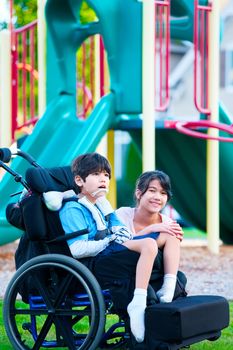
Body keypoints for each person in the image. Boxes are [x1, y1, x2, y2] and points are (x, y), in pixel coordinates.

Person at [44, 153, 184, 343]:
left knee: (164, 239)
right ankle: (138, 303)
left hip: (110, 255)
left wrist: (117, 231)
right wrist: (110, 240)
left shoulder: (102, 206)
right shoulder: (73, 208)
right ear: (79, 180)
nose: (103, 179)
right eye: (96, 174)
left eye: (106, 175)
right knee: (149, 244)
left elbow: (124, 235)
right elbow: (77, 249)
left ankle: (166, 292)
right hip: (93, 264)